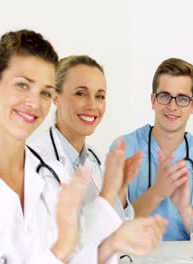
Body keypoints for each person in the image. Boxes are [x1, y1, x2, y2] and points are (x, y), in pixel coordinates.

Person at [0, 29, 166, 264]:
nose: (34, 103)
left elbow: (76, 257)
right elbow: (64, 252)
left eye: (44, 92)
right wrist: (62, 248)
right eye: (22, 85)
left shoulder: (49, 174)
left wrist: (115, 240)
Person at [31, 55, 143, 249]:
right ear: (55, 96)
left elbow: (113, 235)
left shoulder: (94, 159)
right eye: (81, 93)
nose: (92, 105)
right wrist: (108, 192)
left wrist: (121, 192)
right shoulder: (35, 163)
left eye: (100, 96)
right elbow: (62, 247)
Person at [112, 58, 193, 240]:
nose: (172, 106)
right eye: (164, 96)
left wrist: (185, 208)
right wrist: (157, 192)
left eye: (182, 98)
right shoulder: (123, 149)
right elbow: (111, 227)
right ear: (153, 100)